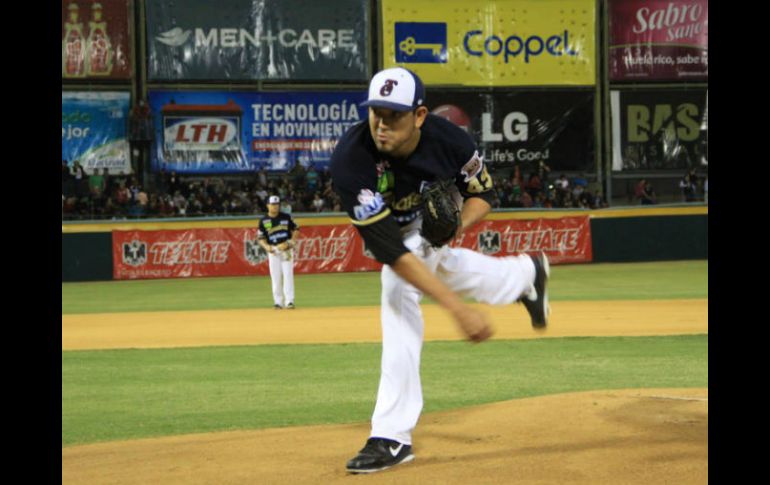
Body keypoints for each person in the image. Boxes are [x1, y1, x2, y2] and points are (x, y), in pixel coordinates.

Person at [330, 67, 550, 474]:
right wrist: (457, 309)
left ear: (419, 115)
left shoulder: (451, 141)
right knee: (413, 270)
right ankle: (525, 275)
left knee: (398, 288)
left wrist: (454, 227)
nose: (382, 124)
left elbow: (483, 193)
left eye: (394, 115)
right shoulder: (351, 159)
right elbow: (392, 251)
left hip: (426, 218)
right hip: (391, 231)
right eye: (376, 112)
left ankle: (392, 435)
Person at [257, 195, 299, 309]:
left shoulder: (286, 217)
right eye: (273, 204)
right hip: (274, 251)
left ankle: (289, 301)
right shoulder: (263, 220)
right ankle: (278, 302)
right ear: (267, 205)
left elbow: (296, 229)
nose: (275, 206)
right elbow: (260, 238)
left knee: (288, 275)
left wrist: (290, 242)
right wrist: (266, 247)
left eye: (277, 204)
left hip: (286, 249)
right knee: (275, 277)